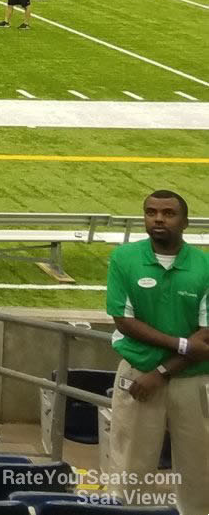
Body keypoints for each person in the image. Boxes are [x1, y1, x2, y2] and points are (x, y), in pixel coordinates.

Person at [102, 190, 209, 515]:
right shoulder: (125, 258)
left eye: (167, 213)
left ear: (185, 221)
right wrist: (180, 344)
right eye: (151, 212)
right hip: (137, 375)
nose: (158, 219)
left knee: (199, 468)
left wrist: (161, 372)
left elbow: (206, 336)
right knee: (130, 468)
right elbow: (124, 319)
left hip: (191, 378)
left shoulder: (204, 265)